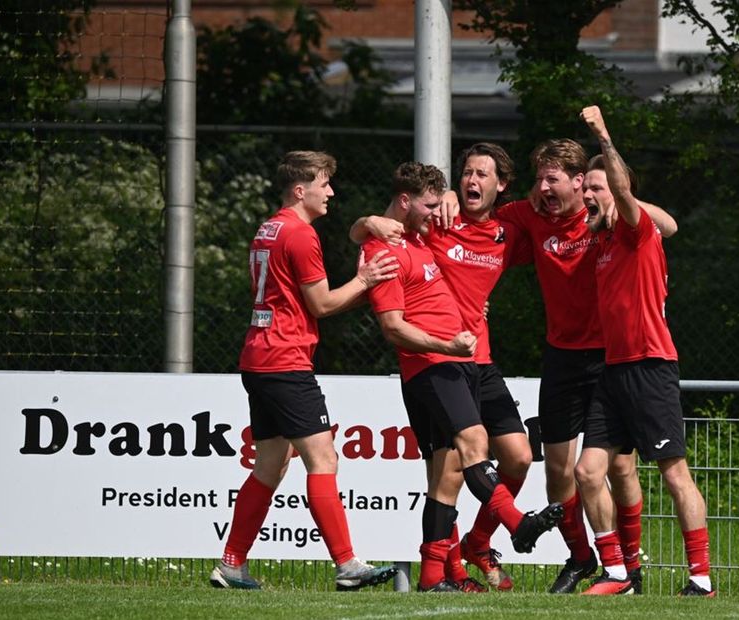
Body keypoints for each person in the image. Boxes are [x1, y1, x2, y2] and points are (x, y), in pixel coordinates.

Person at [362, 161, 563, 593]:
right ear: (405, 203)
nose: (438, 212)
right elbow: (392, 325)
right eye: (430, 205)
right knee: (469, 449)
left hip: (464, 362)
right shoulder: (389, 246)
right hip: (435, 364)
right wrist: (367, 223)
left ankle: (438, 573)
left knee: (449, 473)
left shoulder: (418, 235)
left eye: (440, 203)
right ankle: (516, 524)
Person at [210, 150, 401, 591]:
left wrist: (362, 285)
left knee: (271, 465)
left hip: (259, 356)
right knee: (324, 458)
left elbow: (303, 302)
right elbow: (321, 305)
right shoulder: (300, 235)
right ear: (302, 190)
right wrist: (366, 281)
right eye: (324, 184)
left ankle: (232, 564)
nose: (330, 191)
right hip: (284, 359)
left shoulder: (268, 228)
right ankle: (348, 565)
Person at [495, 139, 677, 594]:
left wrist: (618, 197)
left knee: (617, 469)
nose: (542, 187)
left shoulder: (605, 217)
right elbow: (477, 225)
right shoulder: (529, 214)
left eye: (552, 178)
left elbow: (669, 226)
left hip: (611, 357)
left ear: (581, 183)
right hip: (561, 355)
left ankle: (628, 569)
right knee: (559, 469)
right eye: (539, 178)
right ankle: (580, 557)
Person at [575, 105, 714, 596]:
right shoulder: (605, 239)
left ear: (617, 189)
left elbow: (642, 205)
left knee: (674, 474)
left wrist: (604, 136)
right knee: (588, 471)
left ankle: (700, 578)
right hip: (613, 371)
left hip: (650, 366)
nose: (586, 193)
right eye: (584, 187)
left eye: (595, 186)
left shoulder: (635, 230)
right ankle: (617, 573)